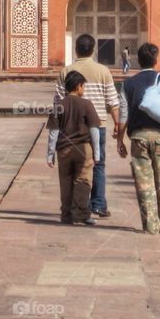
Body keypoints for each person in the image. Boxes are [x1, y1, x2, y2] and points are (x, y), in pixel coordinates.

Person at [117, 42, 160, 235]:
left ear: (138, 61)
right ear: (156, 60)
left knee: (143, 182)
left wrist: (119, 140)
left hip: (138, 137)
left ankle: (150, 226)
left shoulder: (128, 84)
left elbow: (123, 116)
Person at [54, 34, 120, 219]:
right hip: (98, 125)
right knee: (97, 165)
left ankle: (72, 208)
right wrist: (117, 123)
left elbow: (58, 102)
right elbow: (112, 100)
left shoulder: (66, 71)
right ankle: (97, 204)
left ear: (76, 49)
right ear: (93, 50)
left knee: (72, 169)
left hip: (71, 126)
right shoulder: (103, 71)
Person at [47, 71, 102, 226]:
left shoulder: (59, 105)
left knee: (65, 181)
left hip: (63, 149)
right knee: (83, 180)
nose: (83, 89)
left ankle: (66, 215)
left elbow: (53, 133)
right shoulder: (86, 104)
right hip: (83, 148)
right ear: (79, 87)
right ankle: (81, 214)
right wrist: (97, 153)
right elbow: (94, 131)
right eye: (83, 86)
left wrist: (50, 154)